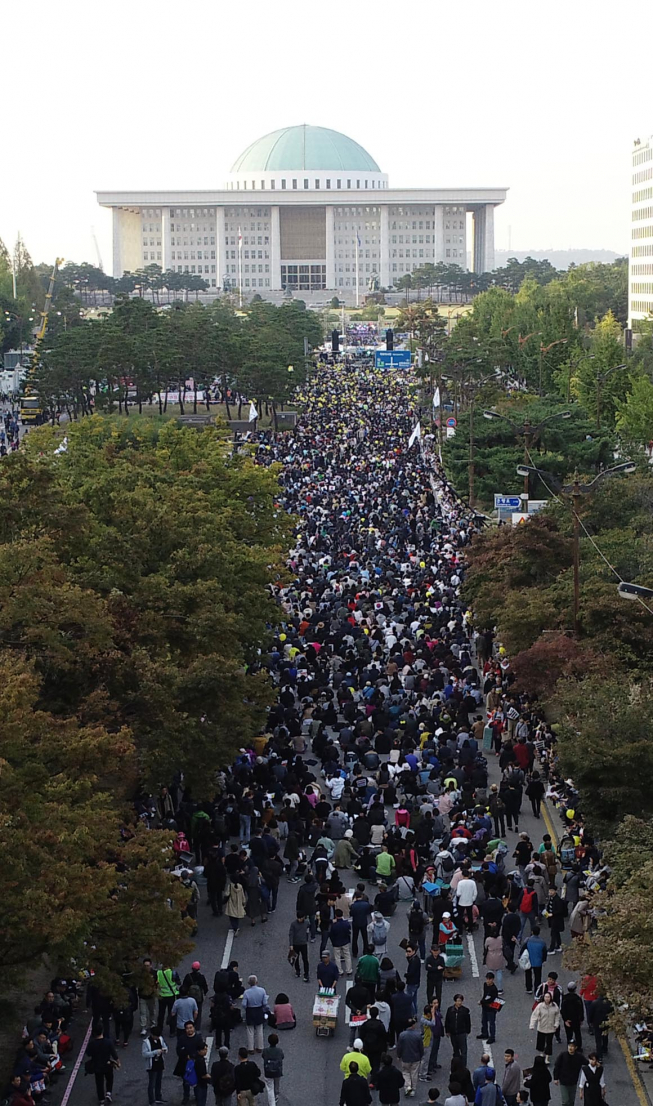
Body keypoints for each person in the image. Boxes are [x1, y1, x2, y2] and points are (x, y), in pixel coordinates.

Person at [85, 1025, 119, 1105]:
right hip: (107, 1064)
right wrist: (118, 1061)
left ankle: (101, 1100)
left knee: (99, 1082)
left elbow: (88, 1054)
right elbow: (113, 1053)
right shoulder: (108, 1042)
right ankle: (108, 1093)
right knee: (109, 1079)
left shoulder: (92, 1044)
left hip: (97, 1065)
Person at [396, 1017, 424, 1097]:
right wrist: (421, 1055)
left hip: (405, 1058)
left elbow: (399, 1047)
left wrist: (399, 1055)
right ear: (413, 1025)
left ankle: (408, 1086)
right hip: (415, 1058)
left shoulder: (402, 1035)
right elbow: (420, 1047)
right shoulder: (418, 1035)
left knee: (405, 1072)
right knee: (414, 1073)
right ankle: (413, 1089)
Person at [529, 992, 560, 1062]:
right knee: (541, 1042)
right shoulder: (540, 1006)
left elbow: (557, 1016)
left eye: (548, 997)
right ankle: (541, 1054)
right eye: (546, 997)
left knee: (549, 1043)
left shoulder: (554, 1006)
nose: (547, 998)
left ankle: (547, 1057)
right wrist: (532, 1025)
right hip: (541, 1027)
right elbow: (534, 1015)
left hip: (551, 1028)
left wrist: (556, 1024)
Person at [242, 976, 270, 1053]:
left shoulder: (246, 992)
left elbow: (244, 1004)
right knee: (259, 1029)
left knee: (250, 1030)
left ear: (248, 983)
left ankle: (251, 1048)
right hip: (259, 1010)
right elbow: (265, 1003)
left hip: (250, 1011)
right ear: (256, 982)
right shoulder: (262, 990)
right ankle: (260, 1047)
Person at [553, 1041, 586, 1106]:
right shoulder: (563, 1055)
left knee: (571, 1101)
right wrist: (555, 1078)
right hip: (563, 1081)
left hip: (573, 1081)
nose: (570, 1048)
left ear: (575, 1047)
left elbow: (587, 1062)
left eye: (572, 1046)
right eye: (569, 1046)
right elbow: (557, 1066)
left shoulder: (579, 1056)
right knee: (565, 1101)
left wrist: (595, 1063)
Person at [418, 1000, 444, 1081]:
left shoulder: (426, 1018)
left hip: (429, 1039)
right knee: (425, 1059)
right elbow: (433, 1023)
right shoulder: (423, 1020)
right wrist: (433, 1014)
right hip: (426, 1040)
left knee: (427, 1057)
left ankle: (424, 1072)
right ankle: (422, 1075)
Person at [142, 1029, 168, 1106]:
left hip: (160, 1063)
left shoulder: (160, 1039)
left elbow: (165, 1046)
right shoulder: (146, 1042)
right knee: (152, 1083)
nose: (157, 1038)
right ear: (152, 1035)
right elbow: (144, 1054)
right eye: (156, 1036)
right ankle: (151, 1100)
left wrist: (165, 1050)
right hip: (152, 1065)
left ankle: (158, 1097)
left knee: (159, 1081)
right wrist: (155, 1052)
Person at [444, 995, 471, 1066]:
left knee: (463, 1050)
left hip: (461, 1033)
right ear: (455, 1001)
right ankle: (456, 1064)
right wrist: (447, 1031)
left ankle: (463, 1065)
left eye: (460, 1001)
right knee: (455, 1050)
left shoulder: (465, 1010)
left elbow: (468, 1022)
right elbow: (447, 1021)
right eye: (458, 1001)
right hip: (453, 1033)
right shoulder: (450, 1010)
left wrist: (467, 1031)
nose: (459, 1003)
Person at [520, 927, 547, 994]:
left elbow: (523, 949)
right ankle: (537, 989)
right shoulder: (542, 942)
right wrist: (543, 960)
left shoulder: (528, 940)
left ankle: (529, 988)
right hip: (538, 961)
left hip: (528, 961)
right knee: (538, 976)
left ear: (532, 932)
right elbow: (544, 952)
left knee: (528, 974)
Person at [261, 1032, 284, 1106]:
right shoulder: (279, 1050)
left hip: (268, 1071)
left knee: (269, 1087)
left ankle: (272, 1102)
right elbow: (282, 1057)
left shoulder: (265, 1050)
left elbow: (263, 1056)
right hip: (277, 1071)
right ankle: (276, 1095)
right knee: (276, 1084)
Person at [560, 982, 584, 1048]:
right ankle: (579, 1047)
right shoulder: (578, 998)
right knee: (577, 1033)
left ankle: (570, 1046)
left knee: (569, 1034)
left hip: (568, 1020)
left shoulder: (565, 998)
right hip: (576, 1020)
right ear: (575, 989)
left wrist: (565, 1020)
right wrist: (581, 1019)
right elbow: (581, 1010)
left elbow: (563, 1010)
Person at [477, 972, 499, 1044]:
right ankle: (485, 1033)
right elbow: (485, 995)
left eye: (489, 979)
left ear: (492, 979)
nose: (488, 981)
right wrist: (483, 1002)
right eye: (487, 979)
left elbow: (490, 999)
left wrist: (481, 1002)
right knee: (484, 1021)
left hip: (491, 1008)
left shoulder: (494, 989)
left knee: (491, 1023)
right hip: (485, 1007)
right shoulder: (485, 985)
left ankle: (492, 1037)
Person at [331, 910, 354, 976]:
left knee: (337, 957)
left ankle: (340, 971)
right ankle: (349, 970)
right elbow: (349, 932)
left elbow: (331, 934)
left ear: (335, 915)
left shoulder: (334, 925)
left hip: (336, 943)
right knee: (347, 956)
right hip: (345, 941)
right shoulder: (346, 923)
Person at [288, 913, 310, 982]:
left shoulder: (306, 923)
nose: (299, 919)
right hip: (296, 944)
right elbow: (291, 934)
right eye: (298, 918)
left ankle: (306, 974)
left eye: (300, 918)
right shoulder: (293, 924)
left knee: (305, 959)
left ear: (303, 917)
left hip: (303, 944)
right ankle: (297, 970)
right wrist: (291, 945)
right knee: (296, 959)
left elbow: (309, 929)